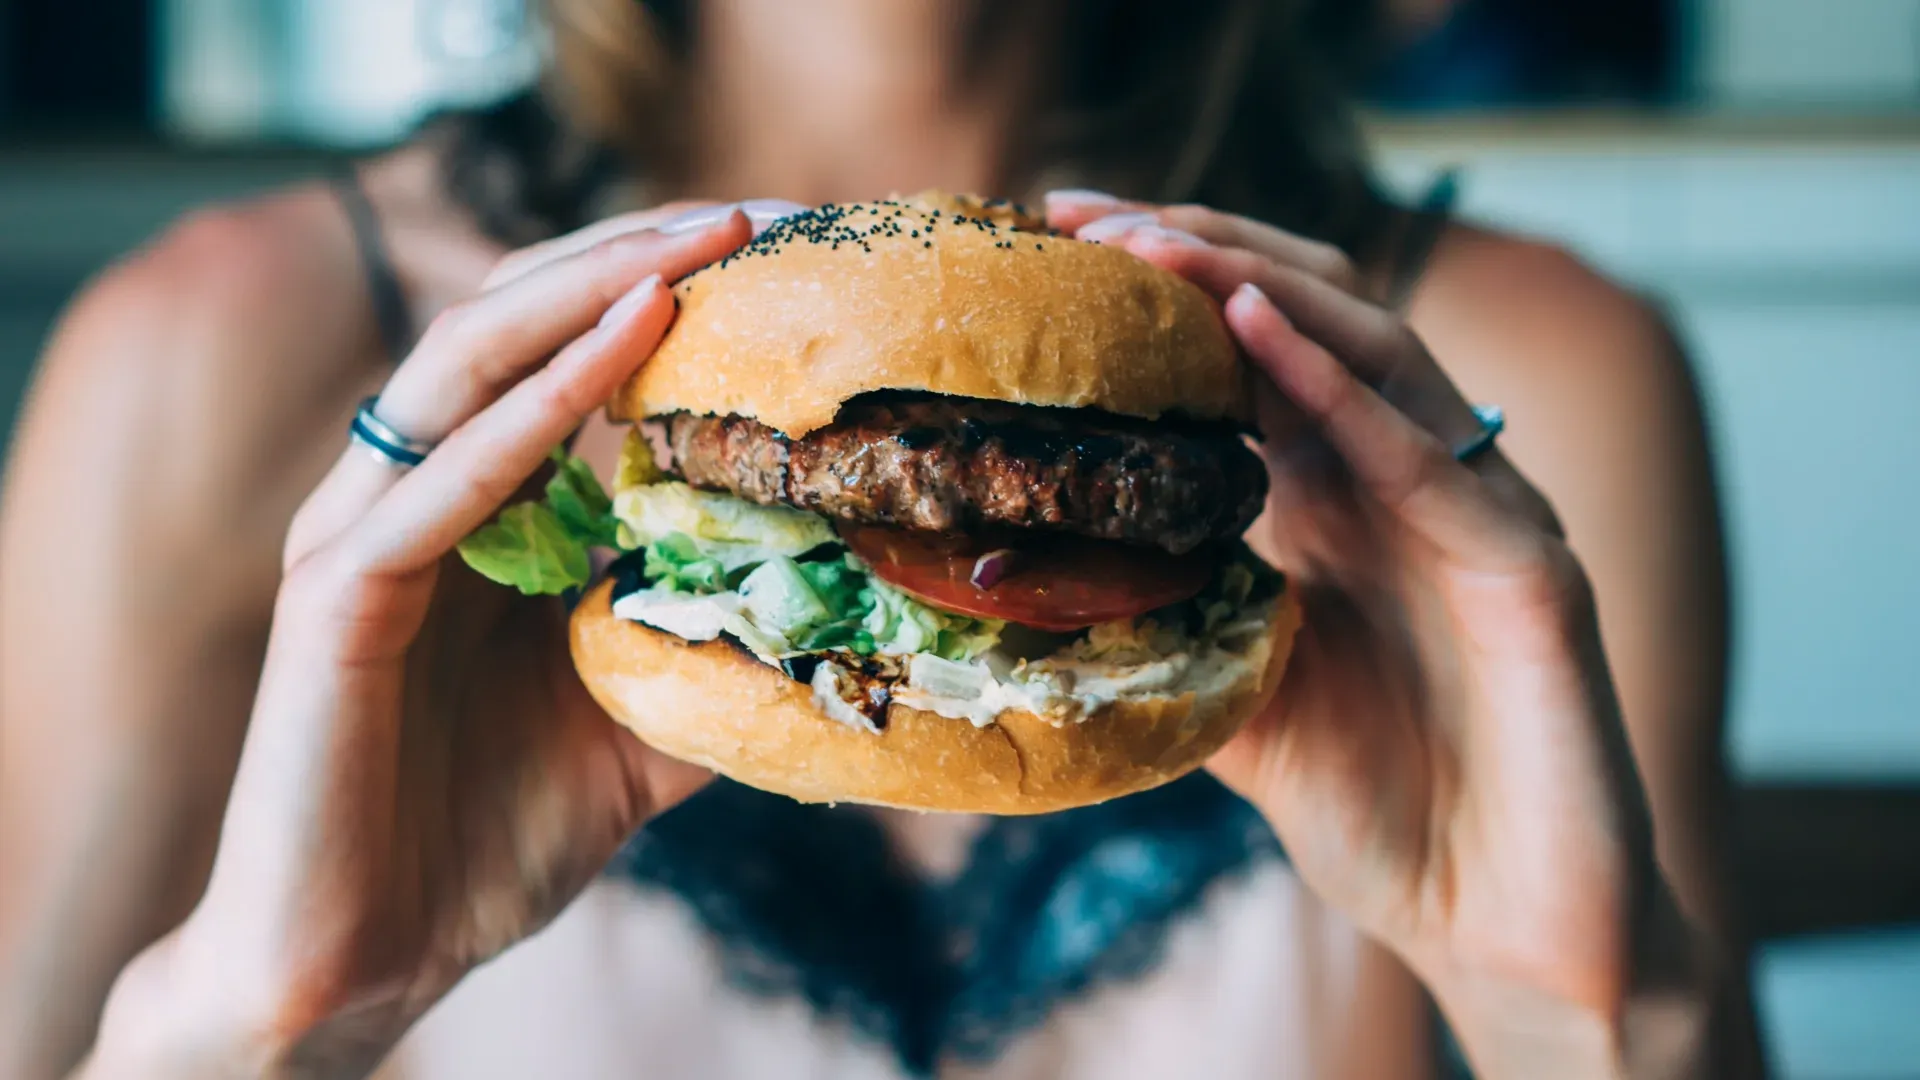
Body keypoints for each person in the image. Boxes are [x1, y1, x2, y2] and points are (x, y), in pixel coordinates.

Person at [0, 0, 1752, 1076]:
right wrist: (263, 1040)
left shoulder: (1512, 391)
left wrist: (1589, 1030)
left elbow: (1623, 1027)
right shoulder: (220, 357)